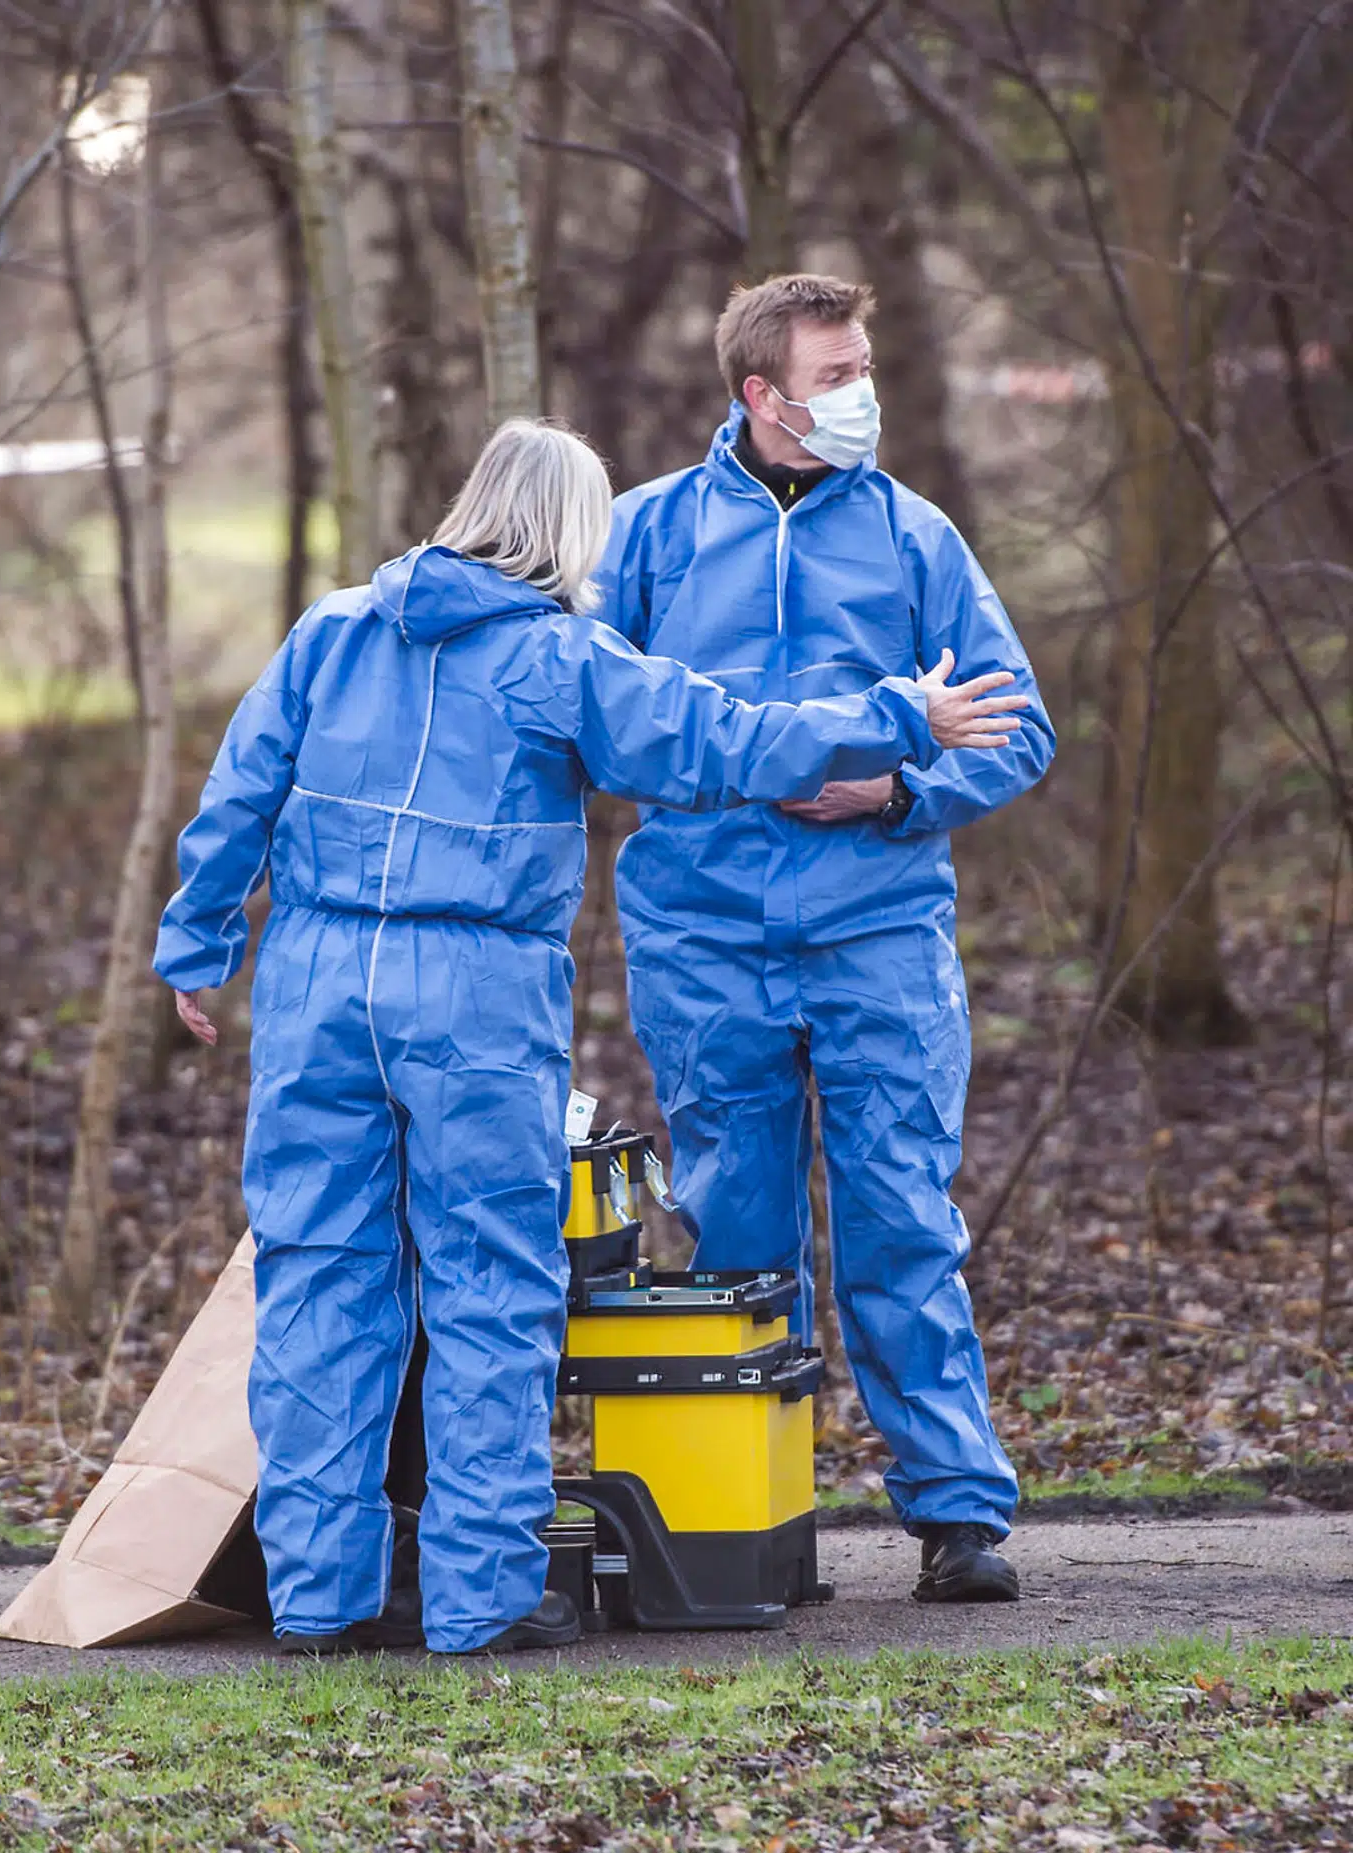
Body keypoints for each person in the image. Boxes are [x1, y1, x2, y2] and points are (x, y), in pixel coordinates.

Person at [152, 417, 1028, 1657]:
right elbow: (725, 738)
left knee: (321, 1278)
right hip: (473, 983)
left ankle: (320, 1595)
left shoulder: (335, 628)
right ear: (571, 531)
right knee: (488, 1280)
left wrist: (197, 944)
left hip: (312, 980)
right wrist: (903, 713)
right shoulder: (559, 659)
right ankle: (480, 1594)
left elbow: (240, 789)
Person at [595, 275, 1057, 1605]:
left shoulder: (917, 540)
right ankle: (761, 1529)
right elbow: (581, 710)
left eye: (866, 367)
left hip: (877, 929)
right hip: (700, 933)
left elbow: (1015, 723)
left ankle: (958, 1517)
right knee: (736, 1237)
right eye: (837, 373)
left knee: (903, 1218)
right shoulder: (649, 538)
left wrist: (900, 789)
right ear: (762, 394)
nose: (863, 393)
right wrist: (705, 772)